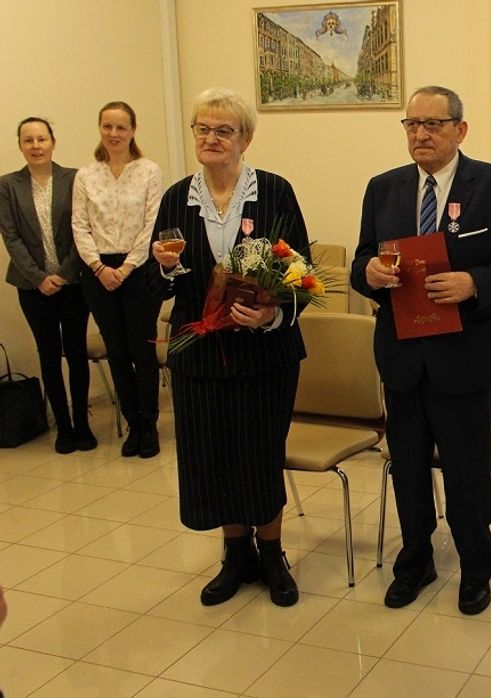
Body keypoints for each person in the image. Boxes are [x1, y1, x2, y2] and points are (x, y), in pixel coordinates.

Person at [350, 85, 491, 616]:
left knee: (465, 471)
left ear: (460, 129)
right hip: (403, 356)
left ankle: (476, 569)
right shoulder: (382, 188)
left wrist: (473, 284)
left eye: (432, 124)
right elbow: (364, 257)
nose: (421, 134)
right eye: (412, 124)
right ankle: (415, 560)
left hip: (464, 356)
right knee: (407, 467)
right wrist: (369, 272)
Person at [147, 88, 310, 608]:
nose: (211, 138)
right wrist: (166, 269)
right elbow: (160, 284)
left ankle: (274, 555)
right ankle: (234, 555)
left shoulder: (275, 191)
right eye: (203, 128)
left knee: (258, 455)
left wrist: (271, 313)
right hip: (199, 354)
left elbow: (301, 273)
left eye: (224, 130)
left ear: (245, 138)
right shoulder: (176, 197)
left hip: (264, 355)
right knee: (213, 457)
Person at [72, 101, 164, 458]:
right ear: (100, 129)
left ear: (133, 131)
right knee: (117, 351)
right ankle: (133, 426)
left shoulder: (148, 171)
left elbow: (151, 223)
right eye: (107, 127)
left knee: (142, 349)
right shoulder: (86, 175)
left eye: (121, 127)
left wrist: (126, 269)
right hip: (97, 272)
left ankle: (150, 425)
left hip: (139, 269)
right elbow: (79, 226)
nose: (114, 134)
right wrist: (99, 268)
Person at [0, 117, 95, 453]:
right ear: (20, 145)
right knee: (49, 355)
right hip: (31, 287)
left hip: (73, 283)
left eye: (42, 139)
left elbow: (81, 229)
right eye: (28, 140)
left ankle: (83, 424)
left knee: (76, 352)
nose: (36, 146)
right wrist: (40, 277)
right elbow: (11, 237)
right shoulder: (8, 185)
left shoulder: (74, 179)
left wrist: (66, 273)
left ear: (53, 142)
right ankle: (64, 428)